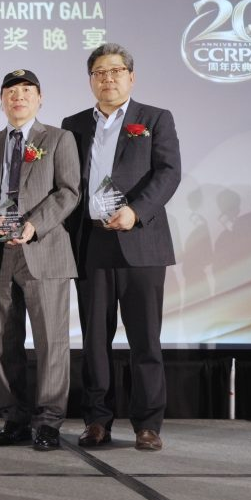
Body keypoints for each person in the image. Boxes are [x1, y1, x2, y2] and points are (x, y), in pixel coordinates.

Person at [61, 43, 182, 452]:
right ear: (90, 80)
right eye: (99, 72)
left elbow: (169, 173)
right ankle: (97, 421)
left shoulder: (155, 118)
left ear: (131, 76)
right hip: (91, 240)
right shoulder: (74, 123)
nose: (107, 79)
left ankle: (147, 425)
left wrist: (136, 211)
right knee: (95, 338)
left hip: (140, 240)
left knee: (145, 338)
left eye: (115, 71)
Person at [0, 70, 79, 451]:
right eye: (11, 91)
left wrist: (34, 225)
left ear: (40, 97)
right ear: (1, 99)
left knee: (51, 341)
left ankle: (49, 421)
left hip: (43, 251)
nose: (18, 97)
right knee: (5, 342)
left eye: (26, 90)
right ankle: (15, 418)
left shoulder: (59, 138)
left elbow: (69, 191)